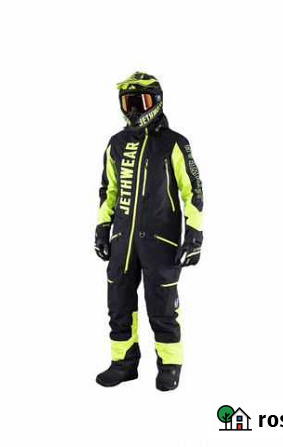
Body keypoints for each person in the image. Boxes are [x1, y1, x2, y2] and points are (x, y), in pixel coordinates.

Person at [94, 72, 203, 391]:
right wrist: (102, 227)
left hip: (161, 240)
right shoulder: (115, 144)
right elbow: (109, 191)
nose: (133, 110)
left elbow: (193, 190)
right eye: (127, 102)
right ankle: (123, 363)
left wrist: (194, 234)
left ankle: (170, 364)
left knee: (162, 305)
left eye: (140, 102)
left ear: (156, 102)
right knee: (118, 304)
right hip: (122, 241)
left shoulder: (174, 143)